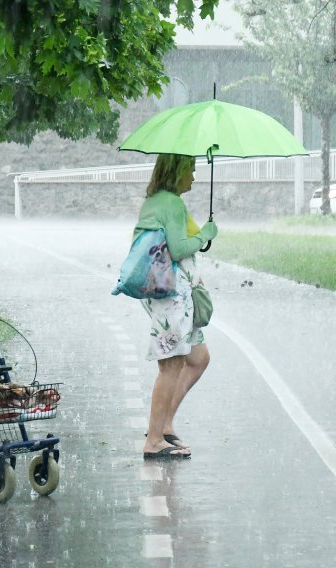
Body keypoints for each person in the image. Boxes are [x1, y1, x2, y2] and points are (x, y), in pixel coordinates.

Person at [136, 154, 218, 460]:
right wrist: (206, 236)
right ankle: (154, 440)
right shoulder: (169, 203)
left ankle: (164, 426)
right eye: (191, 169)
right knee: (170, 364)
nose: (195, 176)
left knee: (198, 357)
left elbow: (185, 240)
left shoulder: (162, 202)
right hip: (170, 295)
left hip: (177, 293)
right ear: (177, 171)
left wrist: (201, 234)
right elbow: (180, 247)